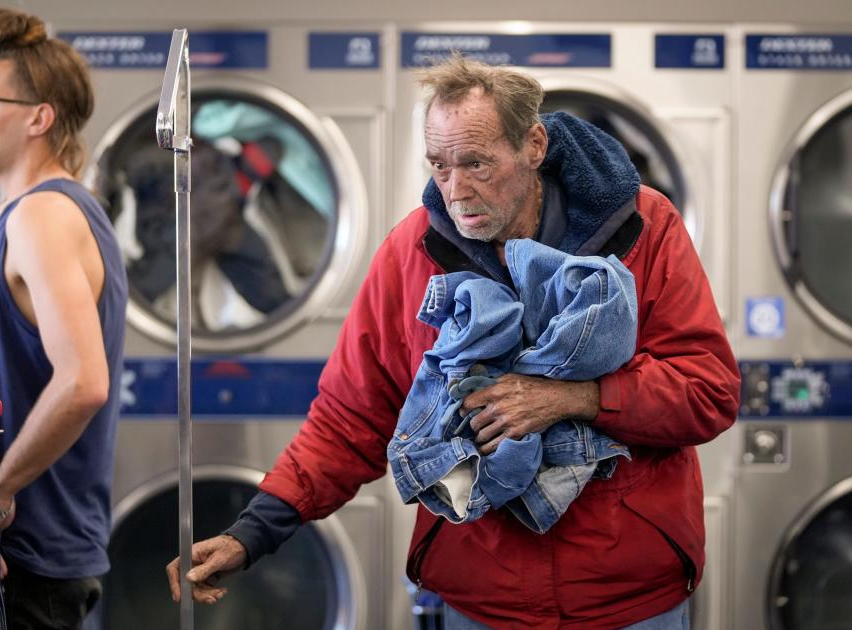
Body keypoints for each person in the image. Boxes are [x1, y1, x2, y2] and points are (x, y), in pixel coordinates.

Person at [167, 54, 740, 629]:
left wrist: (575, 397)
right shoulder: (411, 254)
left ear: (533, 146)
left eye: (476, 164)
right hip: (481, 593)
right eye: (438, 166)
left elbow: (707, 390)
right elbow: (351, 417)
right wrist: (252, 532)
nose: (455, 190)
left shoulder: (642, 228)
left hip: (625, 594)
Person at [0, 8, 128, 630]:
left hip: (33, 562)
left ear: (38, 116)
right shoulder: (22, 216)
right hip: (24, 555)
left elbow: (83, 381)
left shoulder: (43, 218)